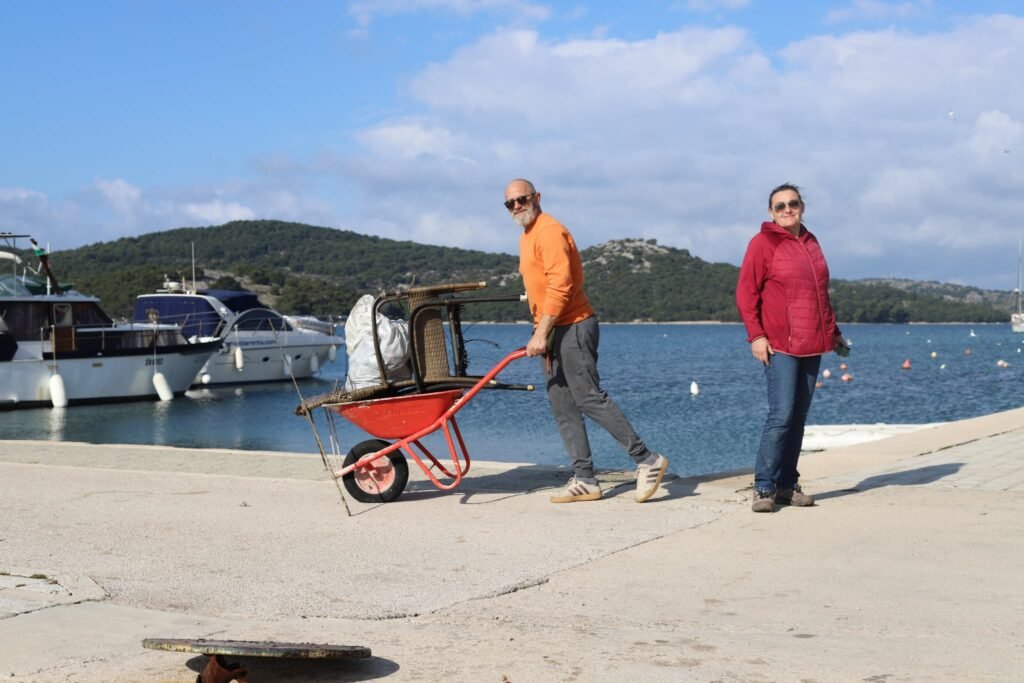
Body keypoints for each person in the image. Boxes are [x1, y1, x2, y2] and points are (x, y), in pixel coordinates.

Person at [504, 178, 668, 503]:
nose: (517, 206)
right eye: (510, 203)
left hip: (574, 326)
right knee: (562, 404)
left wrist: (540, 333)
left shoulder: (549, 231)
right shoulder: (527, 236)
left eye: (522, 199)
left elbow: (561, 285)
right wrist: (542, 331)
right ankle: (585, 479)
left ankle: (647, 460)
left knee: (588, 398)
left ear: (537, 197)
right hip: (554, 330)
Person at [736, 183, 847, 513]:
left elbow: (819, 294)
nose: (787, 210)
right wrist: (756, 336)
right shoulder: (762, 243)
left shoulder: (811, 242)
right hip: (779, 344)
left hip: (812, 342)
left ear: (802, 207)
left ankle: (786, 484)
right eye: (780, 206)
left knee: (798, 418)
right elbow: (746, 293)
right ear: (771, 212)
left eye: (793, 204)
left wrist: (834, 332)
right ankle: (763, 487)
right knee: (781, 415)